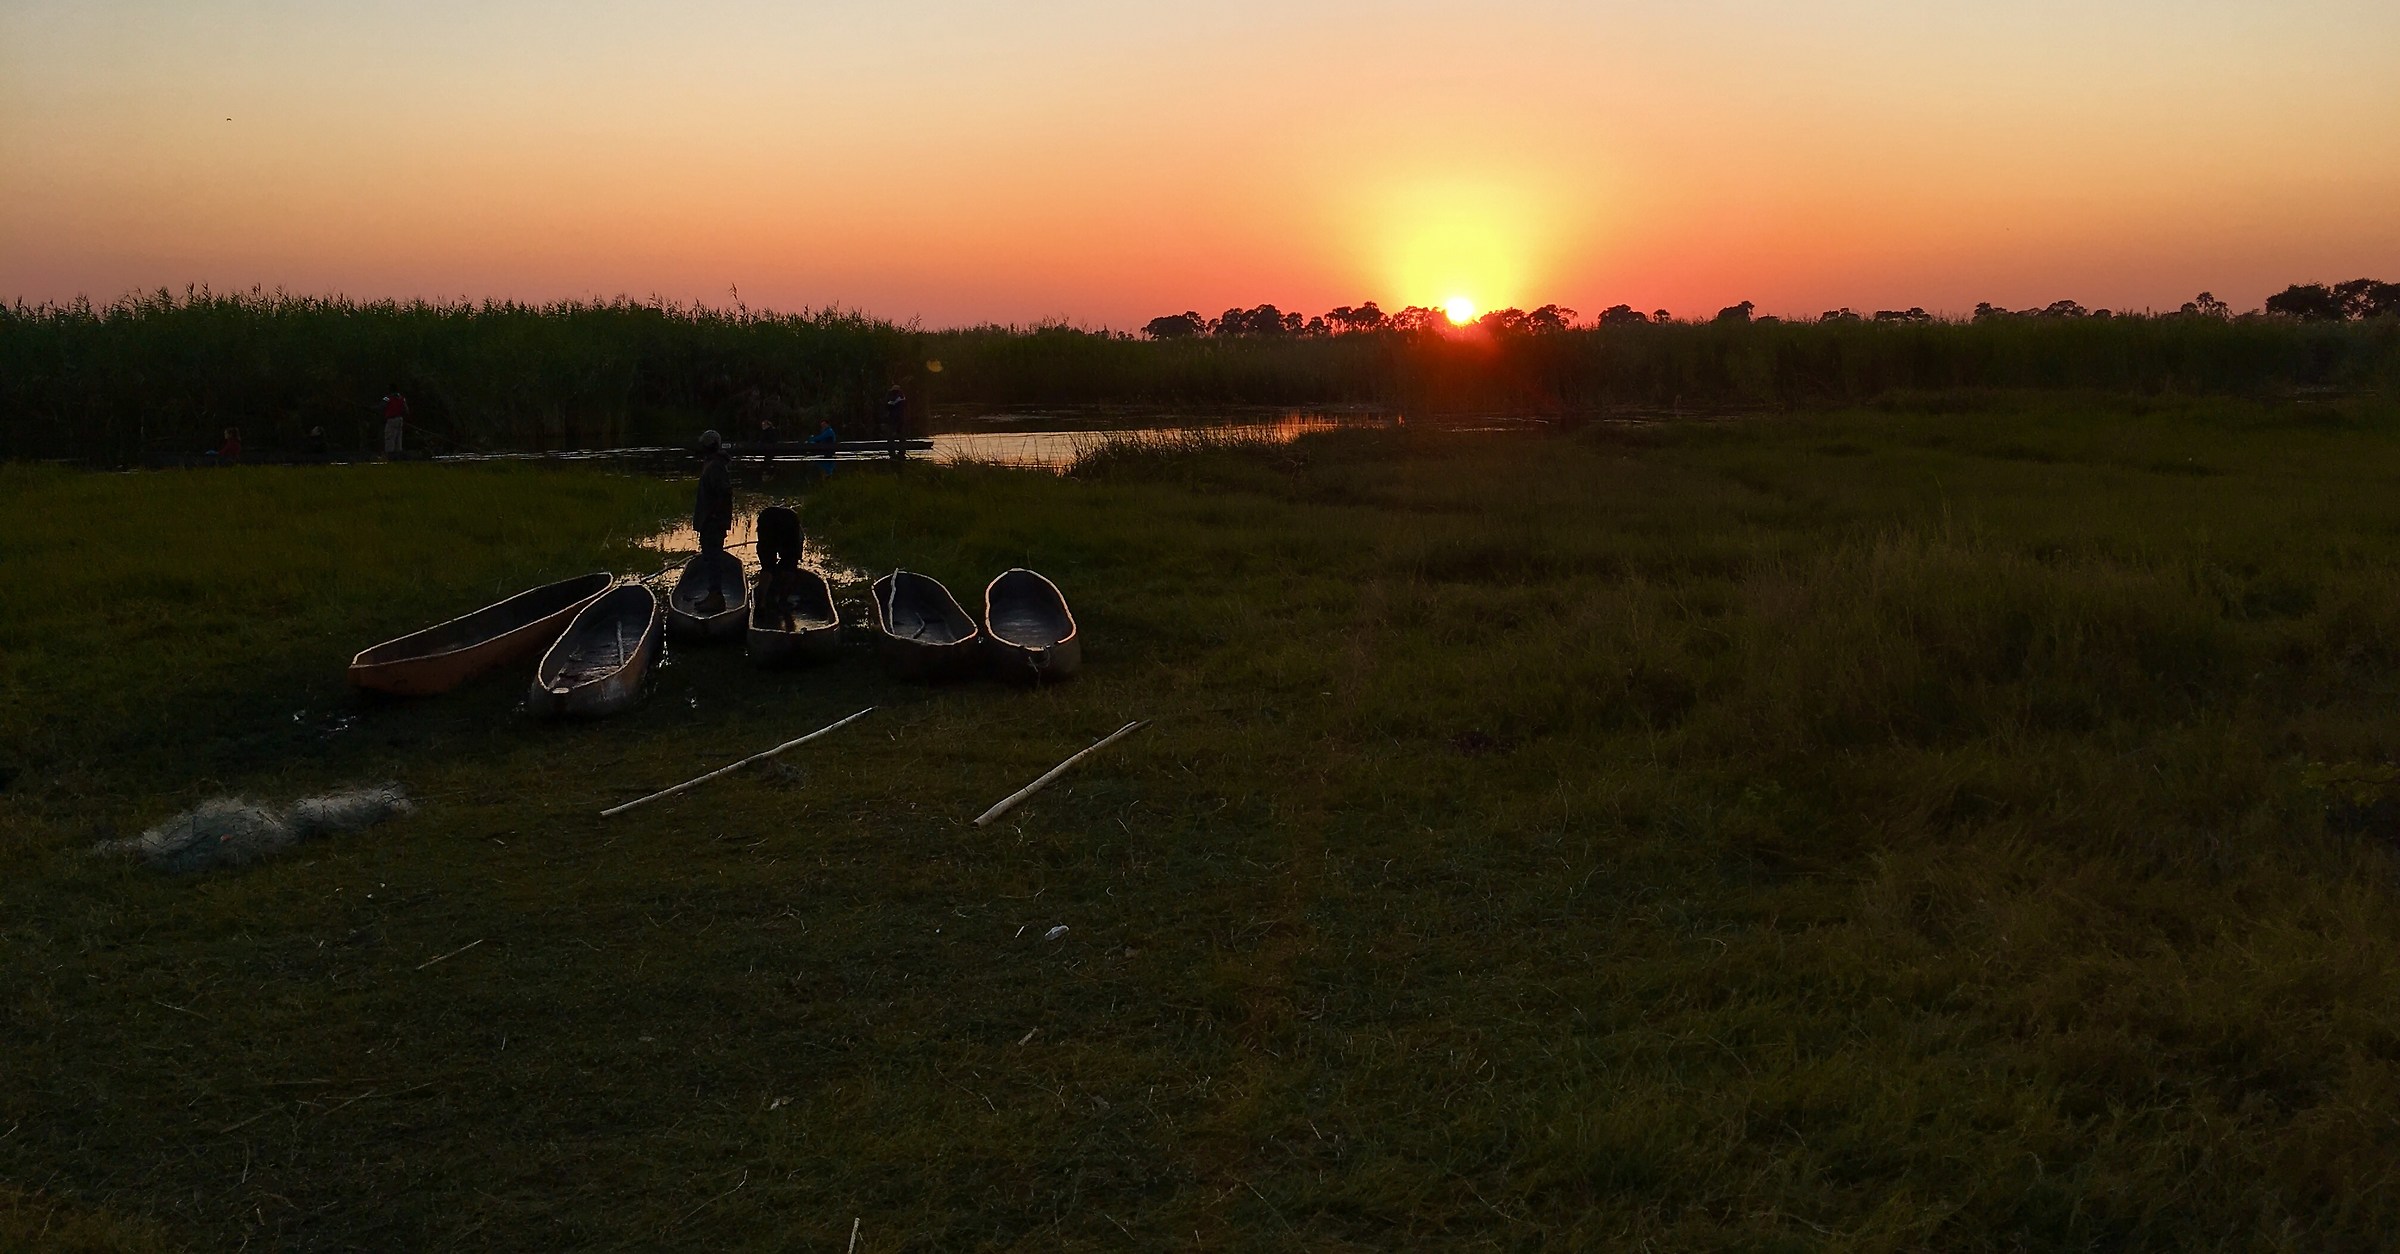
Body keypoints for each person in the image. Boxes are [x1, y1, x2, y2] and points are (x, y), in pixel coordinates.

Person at [693, 430, 735, 611]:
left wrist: (714, 516)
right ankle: (713, 595)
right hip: (710, 521)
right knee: (710, 558)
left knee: (713, 559)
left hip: (713, 522)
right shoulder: (712, 463)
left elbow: (724, 493)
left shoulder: (716, 466)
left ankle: (716, 597)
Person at [381, 386, 410, 459]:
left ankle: (390, 455)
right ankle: (398, 454)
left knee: (389, 436)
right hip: (400, 419)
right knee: (398, 437)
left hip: (391, 419)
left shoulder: (388, 398)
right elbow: (406, 410)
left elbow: (382, 406)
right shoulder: (402, 398)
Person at [882, 384, 907, 462]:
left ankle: (893, 453)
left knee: (891, 437)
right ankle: (901, 452)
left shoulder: (895, 399)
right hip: (900, 420)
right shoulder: (902, 398)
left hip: (894, 420)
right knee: (901, 437)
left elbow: (888, 406)